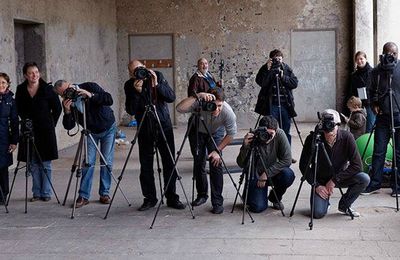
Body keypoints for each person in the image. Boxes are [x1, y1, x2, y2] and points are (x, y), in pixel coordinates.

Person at [124, 60, 185, 211]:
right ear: (131, 74)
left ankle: (172, 197)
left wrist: (157, 84)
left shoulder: (156, 75)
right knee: (145, 165)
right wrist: (137, 93)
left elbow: (171, 97)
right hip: (144, 127)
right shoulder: (129, 85)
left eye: (140, 68)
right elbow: (131, 110)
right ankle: (150, 198)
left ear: (144, 67)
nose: (138, 72)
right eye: (134, 71)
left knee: (169, 162)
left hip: (163, 125)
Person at [53, 80, 116, 208]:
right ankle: (83, 196)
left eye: (68, 89)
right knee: (88, 162)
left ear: (71, 84)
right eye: (63, 94)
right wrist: (67, 111)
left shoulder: (89, 86)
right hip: (90, 131)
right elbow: (69, 126)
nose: (68, 94)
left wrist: (90, 95)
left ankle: (105, 193)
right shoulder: (67, 102)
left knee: (107, 161)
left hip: (108, 127)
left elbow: (109, 99)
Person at [176, 87, 237, 214]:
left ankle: (217, 202)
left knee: (216, 163)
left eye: (220, 105)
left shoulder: (227, 112)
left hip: (216, 132)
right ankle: (202, 195)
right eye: (214, 106)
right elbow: (179, 108)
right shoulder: (201, 103)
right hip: (197, 130)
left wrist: (217, 150)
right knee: (199, 163)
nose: (217, 109)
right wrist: (197, 95)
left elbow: (231, 134)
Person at [300, 109, 370, 218]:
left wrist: (334, 180)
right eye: (326, 128)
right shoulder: (313, 139)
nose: (329, 132)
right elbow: (303, 165)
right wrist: (316, 185)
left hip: (340, 177)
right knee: (317, 213)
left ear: (338, 125)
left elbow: (357, 166)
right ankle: (324, 202)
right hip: (320, 180)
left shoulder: (347, 137)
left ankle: (344, 205)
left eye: (332, 127)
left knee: (364, 178)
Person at [16, 62, 62, 202]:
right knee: (33, 162)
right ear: (25, 75)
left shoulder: (47, 89)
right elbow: (18, 107)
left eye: (36, 72)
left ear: (39, 73)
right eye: (31, 73)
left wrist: (50, 123)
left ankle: (46, 192)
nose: (34, 75)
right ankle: (36, 192)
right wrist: (25, 121)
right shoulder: (21, 89)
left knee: (46, 162)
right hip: (29, 129)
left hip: (45, 130)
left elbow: (57, 108)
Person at [362, 42, 400, 196]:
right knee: (379, 151)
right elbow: (370, 91)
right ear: (383, 53)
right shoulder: (376, 71)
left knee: (399, 152)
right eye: (388, 53)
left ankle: (397, 186)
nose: (391, 56)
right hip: (383, 116)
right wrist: (372, 104)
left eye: (394, 54)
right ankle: (375, 184)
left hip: (399, 114)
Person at [236, 116, 295, 213]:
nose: (268, 137)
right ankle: (249, 192)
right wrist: (245, 146)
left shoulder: (280, 134)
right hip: (256, 174)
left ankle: (275, 197)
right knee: (258, 207)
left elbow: (287, 160)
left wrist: (266, 174)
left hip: (273, 172)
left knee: (288, 175)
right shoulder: (253, 136)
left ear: (276, 131)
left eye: (271, 134)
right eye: (265, 133)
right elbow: (241, 164)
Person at [255, 49, 298, 144]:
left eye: (279, 59)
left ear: (282, 59)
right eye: (275, 59)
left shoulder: (286, 69)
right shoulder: (266, 68)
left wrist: (283, 77)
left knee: (286, 131)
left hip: (286, 106)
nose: (277, 61)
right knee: (269, 130)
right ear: (270, 59)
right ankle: (270, 153)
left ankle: (287, 156)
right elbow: (261, 82)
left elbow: (294, 83)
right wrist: (267, 69)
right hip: (271, 105)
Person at [0, 73, 19, 203]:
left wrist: (14, 141)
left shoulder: (11, 101)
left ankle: (3, 195)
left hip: (4, 138)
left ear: (7, 84)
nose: (0, 85)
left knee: (2, 167)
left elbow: (14, 122)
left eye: (3, 83)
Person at [348, 51, 374, 132]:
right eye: (357, 59)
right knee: (358, 126)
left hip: (371, 103)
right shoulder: (354, 75)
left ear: (365, 59)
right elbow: (352, 90)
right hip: (358, 104)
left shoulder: (373, 72)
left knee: (370, 126)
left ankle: (368, 143)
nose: (359, 61)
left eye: (361, 59)